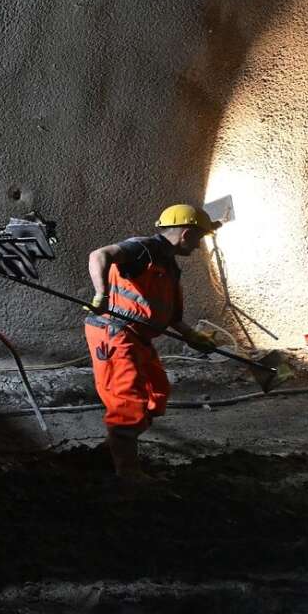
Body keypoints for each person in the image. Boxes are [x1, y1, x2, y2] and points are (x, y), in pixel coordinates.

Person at [84, 205, 221, 479]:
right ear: (186, 234)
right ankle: (128, 475)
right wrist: (101, 294)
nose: (198, 246)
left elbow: (169, 315)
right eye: (199, 238)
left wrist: (192, 336)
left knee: (156, 391)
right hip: (115, 333)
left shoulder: (170, 266)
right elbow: (99, 255)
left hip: (138, 337)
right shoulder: (141, 249)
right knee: (127, 402)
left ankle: (116, 446)